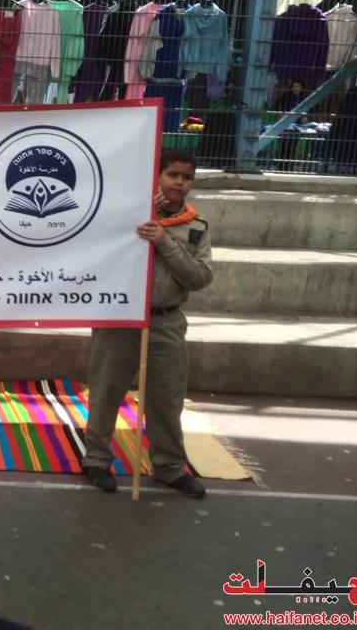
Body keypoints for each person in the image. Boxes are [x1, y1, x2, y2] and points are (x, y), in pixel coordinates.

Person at [82, 149, 212, 498]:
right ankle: (96, 460)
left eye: (187, 177)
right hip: (120, 317)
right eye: (172, 174)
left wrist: (164, 241)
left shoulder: (196, 227)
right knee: (107, 390)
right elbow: (96, 248)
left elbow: (199, 277)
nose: (179, 183)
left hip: (166, 320)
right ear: (156, 177)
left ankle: (169, 467)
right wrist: (139, 217)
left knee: (167, 397)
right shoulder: (126, 215)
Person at [271, 80, 309, 171]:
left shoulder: (304, 98)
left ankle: (289, 167)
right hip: (285, 125)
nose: (296, 88)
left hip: (297, 126)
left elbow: (310, 109)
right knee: (283, 146)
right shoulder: (286, 96)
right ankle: (281, 167)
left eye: (298, 86)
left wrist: (305, 117)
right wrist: (280, 114)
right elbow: (275, 107)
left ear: (301, 88)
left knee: (292, 146)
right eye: (294, 86)